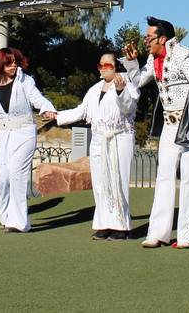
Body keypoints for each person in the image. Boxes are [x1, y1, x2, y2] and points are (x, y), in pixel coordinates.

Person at [123, 16, 189, 249]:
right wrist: (132, 63)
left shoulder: (184, 55)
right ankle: (158, 233)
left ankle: (188, 236)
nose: (145, 41)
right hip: (170, 126)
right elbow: (139, 80)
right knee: (164, 175)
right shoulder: (153, 58)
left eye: (149, 37)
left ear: (162, 38)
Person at [0, 47, 57, 233]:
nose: (13, 65)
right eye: (9, 62)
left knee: (17, 174)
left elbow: (37, 99)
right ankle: (6, 218)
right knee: (3, 180)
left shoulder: (25, 81)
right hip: (5, 135)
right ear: (0, 64)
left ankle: (20, 222)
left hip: (25, 133)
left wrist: (47, 108)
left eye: (15, 61)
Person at [56, 52, 140, 241]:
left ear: (115, 67)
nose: (104, 68)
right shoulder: (94, 89)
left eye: (108, 65)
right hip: (98, 139)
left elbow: (129, 107)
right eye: (101, 65)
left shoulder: (127, 83)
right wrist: (57, 116)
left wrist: (120, 91)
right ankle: (103, 224)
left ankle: (121, 226)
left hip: (120, 137)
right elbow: (81, 110)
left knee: (118, 181)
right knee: (100, 183)